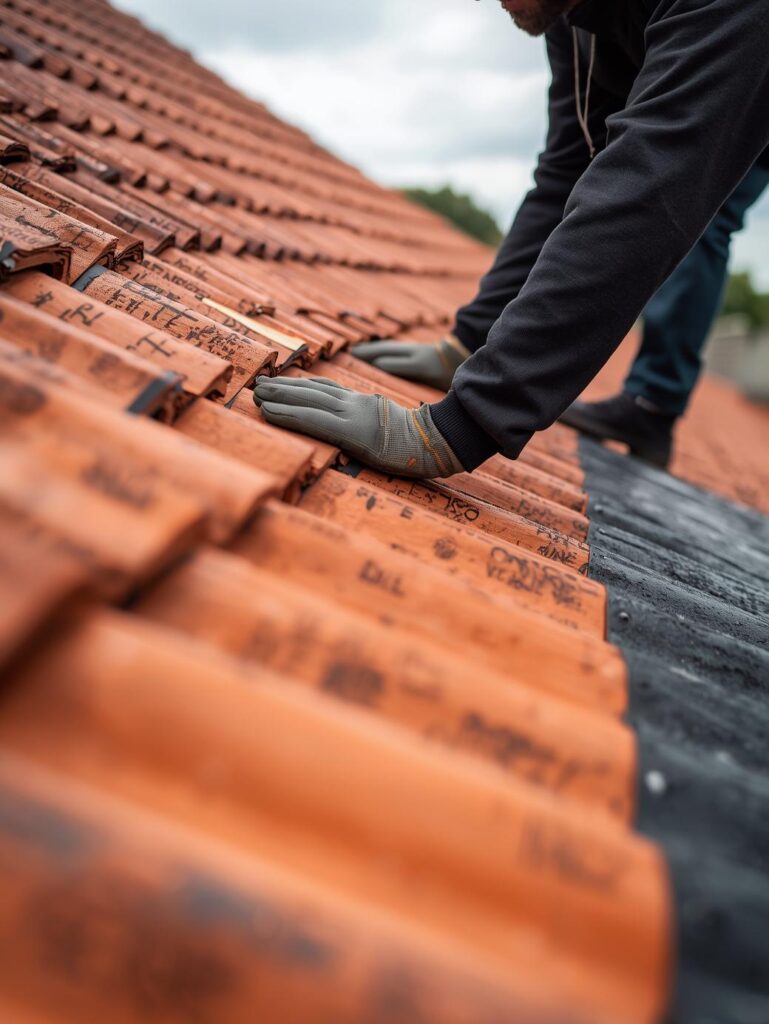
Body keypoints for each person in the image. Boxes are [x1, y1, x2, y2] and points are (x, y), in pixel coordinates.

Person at [254, 0, 769, 479]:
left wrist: (463, 425)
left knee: (703, 206)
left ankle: (651, 405)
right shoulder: (567, 11)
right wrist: (470, 340)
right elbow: (570, 166)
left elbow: (651, 185)